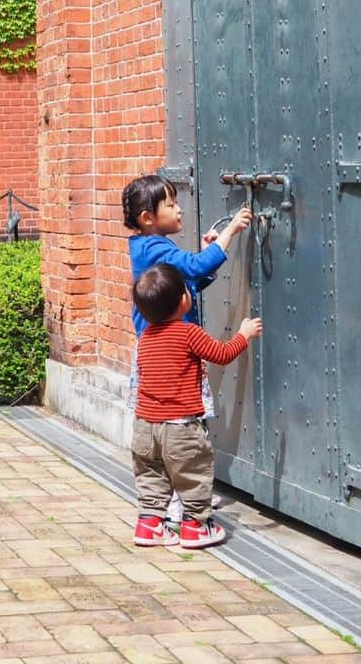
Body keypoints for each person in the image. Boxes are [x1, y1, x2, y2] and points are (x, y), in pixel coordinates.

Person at [122, 174, 252, 525]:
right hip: (171, 353)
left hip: (155, 351)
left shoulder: (146, 246)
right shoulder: (156, 248)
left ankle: (166, 506)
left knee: (161, 427)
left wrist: (210, 253)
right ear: (148, 218)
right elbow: (194, 268)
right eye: (171, 204)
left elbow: (189, 280)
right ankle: (186, 502)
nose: (179, 209)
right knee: (181, 424)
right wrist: (229, 234)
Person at [131, 263, 262, 548]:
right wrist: (245, 334)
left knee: (151, 476)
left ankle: (149, 525)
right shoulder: (188, 333)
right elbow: (222, 354)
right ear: (184, 300)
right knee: (192, 474)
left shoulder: (144, 339)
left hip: (144, 426)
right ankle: (194, 528)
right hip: (180, 427)